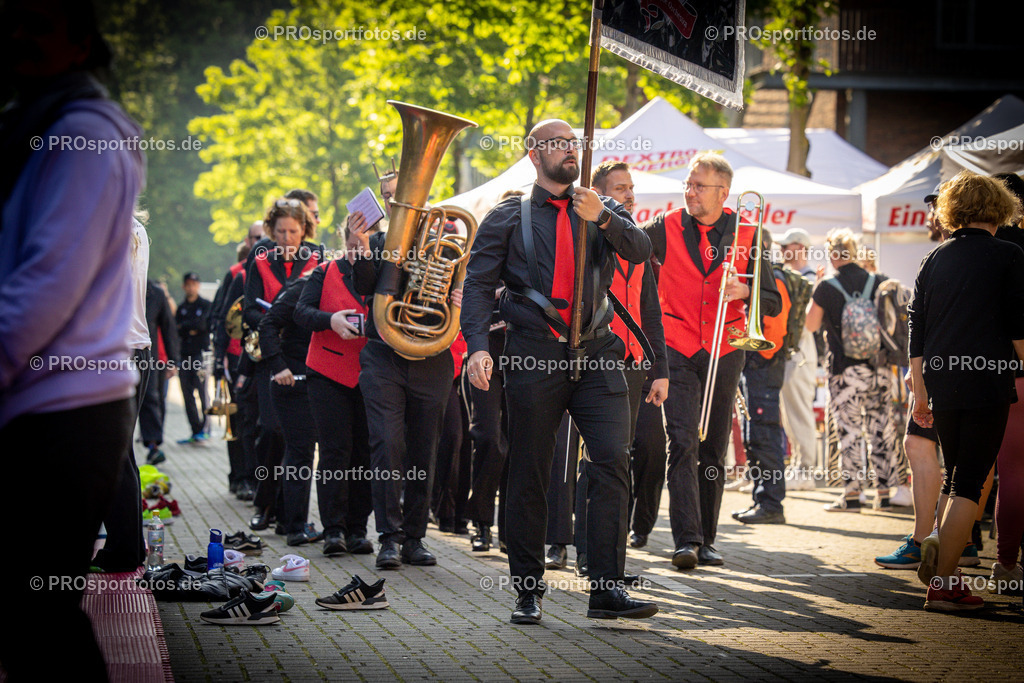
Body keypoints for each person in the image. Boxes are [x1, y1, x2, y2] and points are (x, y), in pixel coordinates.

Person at [462, 119, 658, 624]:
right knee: (530, 469)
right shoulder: (507, 216)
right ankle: (528, 590)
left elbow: (642, 252)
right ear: (533, 154)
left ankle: (607, 589)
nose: (570, 151)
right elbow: (480, 286)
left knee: (613, 457)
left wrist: (607, 220)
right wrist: (478, 347)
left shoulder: (599, 206)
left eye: (574, 143)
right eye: (558, 144)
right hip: (534, 353)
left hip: (597, 351)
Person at [0, 0, 144, 676]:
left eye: (39, 20)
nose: (19, 33)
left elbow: (46, 286)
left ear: (83, 44)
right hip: (46, 401)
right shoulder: (39, 124)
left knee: (39, 618)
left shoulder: (84, 133)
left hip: (62, 410)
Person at [640, 153, 782, 569]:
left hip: (726, 347)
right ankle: (686, 539)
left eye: (698, 186)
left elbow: (771, 300)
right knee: (682, 441)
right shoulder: (664, 226)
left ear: (723, 192)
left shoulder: (751, 233)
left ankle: (709, 539)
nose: (690, 191)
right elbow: (628, 249)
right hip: (677, 347)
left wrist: (744, 293)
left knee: (714, 447)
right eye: (688, 184)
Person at [908, 171, 1024, 611]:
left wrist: (920, 393)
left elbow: (916, 334)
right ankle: (941, 585)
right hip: (987, 378)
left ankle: (949, 572)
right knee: (969, 485)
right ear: (999, 208)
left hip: (941, 379)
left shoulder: (933, 259)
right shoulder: (1008, 255)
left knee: (956, 477)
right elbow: (1018, 326)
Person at [350, 168, 454, 570]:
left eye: (404, 194)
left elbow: (469, 289)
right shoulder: (375, 242)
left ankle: (414, 538)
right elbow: (364, 289)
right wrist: (358, 249)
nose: (398, 202)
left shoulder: (447, 243)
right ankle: (388, 538)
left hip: (431, 357)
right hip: (384, 356)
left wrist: (459, 293)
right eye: (389, 197)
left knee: (424, 450)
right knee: (387, 445)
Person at [580, 161, 668, 556]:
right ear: (597, 195)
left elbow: (651, 312)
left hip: (636, 365)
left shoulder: (637, 245)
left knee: (643, 450)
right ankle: (583, 548)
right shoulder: (586, 237)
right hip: (597, 359)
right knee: (600, 459)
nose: (630, 195)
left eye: (632, 187)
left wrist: (660, 370)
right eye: (620, 188)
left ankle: (628, 538)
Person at [294, 217, 377, 556]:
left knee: (366, 453)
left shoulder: (384, 272)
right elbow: (301, 312)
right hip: (327, 372)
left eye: (365, 245)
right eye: (354, 245)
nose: (359, 252)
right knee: (334, 451)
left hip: (371, 372)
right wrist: (331, 319)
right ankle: (334, 530)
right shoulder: (324, 271)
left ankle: (358, 528)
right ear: (344, 242)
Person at [805, 229, 899, 511]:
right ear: (856, 253)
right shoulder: (879, 281)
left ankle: (853, 494)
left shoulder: (827, 286)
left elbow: (810, 325)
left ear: (833, 255)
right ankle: (884, 492)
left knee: (849, 431)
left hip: (844, 371)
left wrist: (818, 287)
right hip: (879, 367)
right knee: (880, 429)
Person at [245, 198, 323, 530]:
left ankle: (286, 511)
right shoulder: (260, 258)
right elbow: (247, 308)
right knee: (271, 430)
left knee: (298, 441)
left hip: (306, 357)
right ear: (271, 231)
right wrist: (274, 314)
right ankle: (265, 504)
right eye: (281, 232)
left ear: (304, 230)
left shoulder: (318, 258)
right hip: (271, 356)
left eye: (293, 231)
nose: (287, 238)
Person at [92, 215, 151, 574]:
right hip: (131, 349)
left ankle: (124, 549)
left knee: (113, 453)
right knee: (120, 452)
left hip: (115, 351)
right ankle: (125, 545)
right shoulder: (133, 227)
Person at [733, 257, 792, 524]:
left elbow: (775, 332)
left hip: (764, 367)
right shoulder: (761, 279)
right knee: (754, 436)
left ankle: (771, 504)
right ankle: (762, 499)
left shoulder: (774, 280)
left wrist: (757, 357)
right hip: (756, 367)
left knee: (765, 437)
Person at [776, 228, 819, 490]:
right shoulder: (796, 276)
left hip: (801, 350)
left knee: (800, 411)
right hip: (792, 350)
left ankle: (807, 471)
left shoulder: (810, 279)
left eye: (786, 246)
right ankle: (799, 466)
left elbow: (806, 323)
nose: (782, 251)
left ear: (800, 246)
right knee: (790, 412)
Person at [139, 278, 180, 465]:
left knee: (151, 398)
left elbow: (168, 328)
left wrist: (173, 361)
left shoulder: (155, 293)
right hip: (116, 355)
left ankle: (153, 445)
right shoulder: (111, 282)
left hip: (148, 356)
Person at [176, 272, 212, 443]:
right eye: (188, 284)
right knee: (187, 393)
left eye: (194, 284)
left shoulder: (206, 305)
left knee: (202, 391)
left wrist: (187, 327)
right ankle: (194, 429)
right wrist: (190, 328)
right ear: (184, 286)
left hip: (201, 354)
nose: (191, 287)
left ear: (198, 286)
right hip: (184, 355)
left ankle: (205, 428)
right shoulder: (181, 307)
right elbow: (177, 330)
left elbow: (203, 325)